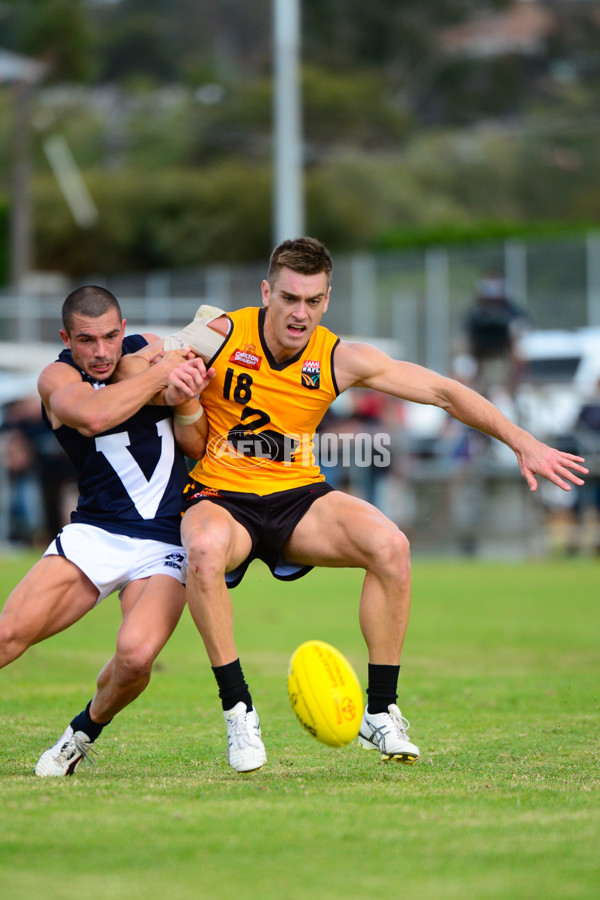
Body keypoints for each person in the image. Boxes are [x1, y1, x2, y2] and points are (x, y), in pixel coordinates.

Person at [177, 237, 587, 774]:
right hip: (222, 495)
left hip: (298, 495)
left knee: (391, 546)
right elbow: (152, 370)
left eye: (313, 300)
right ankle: (238, 710)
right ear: (266, 293)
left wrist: (521, 441)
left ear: (327, 300)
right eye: (288, 298)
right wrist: (172, 380)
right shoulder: (219, 332)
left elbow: (443, 392)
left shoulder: (340, 357)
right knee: (203, 550)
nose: (299, 312)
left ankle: (380, 711)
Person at [0, 285, 214, 776]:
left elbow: (196, 443)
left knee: (136, 657)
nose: (100, 351)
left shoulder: (147, 350)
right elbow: (94, 416)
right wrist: (161, 370)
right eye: (86, 340)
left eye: (110, 337)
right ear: (66, 338)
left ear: (124, 329)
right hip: (95, 533)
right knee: (8, 635)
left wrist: (183, 396)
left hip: (166, 539)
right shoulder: (57, 377)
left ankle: (80, 734)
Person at [462, 270, 529, 397]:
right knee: (465, 367)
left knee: (519, 357)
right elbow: (468, 331)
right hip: (481, 346)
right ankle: (475, 389)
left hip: (504, 345)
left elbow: (521, 325)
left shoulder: (510, 310)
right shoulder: (478, 312)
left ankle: (515, 391)